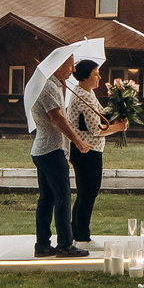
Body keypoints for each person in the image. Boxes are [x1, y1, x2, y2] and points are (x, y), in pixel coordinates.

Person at [29, 53, 89, 258]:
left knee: (47, 198)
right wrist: (78, 141)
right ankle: (65, 244)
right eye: (71, 65)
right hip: (51, 150)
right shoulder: (47, 87)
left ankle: (43, 245)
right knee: (63, 197)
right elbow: (57, 118)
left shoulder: (52, 85)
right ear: (59, 64)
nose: (73, 70)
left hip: (44, 150)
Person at [67, 58, 127, 245]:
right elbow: (94, 129)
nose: (99, 77)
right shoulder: (82, 97)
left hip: (90, 150)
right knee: (88, 192)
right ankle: (82, 236)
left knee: (86, 191)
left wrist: (120, 112)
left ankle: (76, 233)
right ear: (84, 77)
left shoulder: (88, 93)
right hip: (86, 150)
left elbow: (101, 115)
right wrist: (117, 129)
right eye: (95, 74)